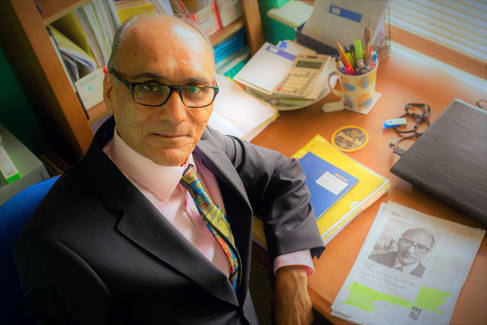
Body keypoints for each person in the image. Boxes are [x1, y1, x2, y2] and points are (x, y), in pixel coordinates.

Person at [14, 15, 324, 325]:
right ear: (110, 91)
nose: (176, 116)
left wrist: (292, 279)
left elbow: (282, 174)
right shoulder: (55, 247)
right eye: (150, 86)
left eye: (195, 89)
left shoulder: (204, 144)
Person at [368, 228, 435, 278]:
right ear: (398, 242)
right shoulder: (373, 258)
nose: (410, 250)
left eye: (421, 247)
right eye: (407, 242)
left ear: (428, 252)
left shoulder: (426, 275)